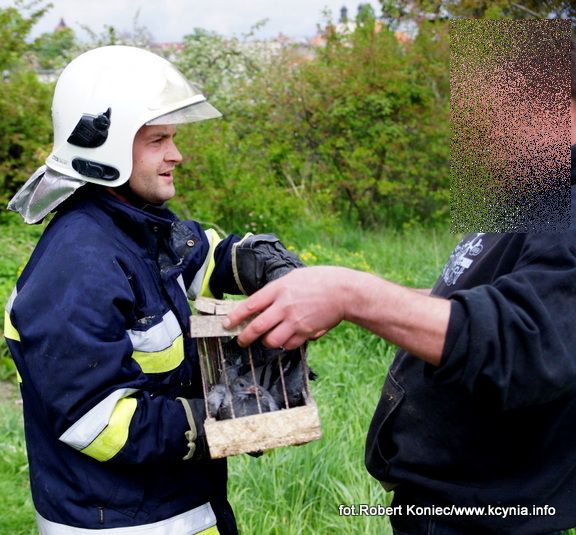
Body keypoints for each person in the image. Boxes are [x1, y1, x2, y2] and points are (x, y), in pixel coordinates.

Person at [224, 41, 576, 535]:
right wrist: (343, 295)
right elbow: (468, 309)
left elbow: (525, 345)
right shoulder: (536, 200)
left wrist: (352, 293)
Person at [3, 45, 302, 535]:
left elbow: (195, 261)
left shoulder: (134, 225)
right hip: (124, 521)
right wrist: (218, 417)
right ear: (106, 147)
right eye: (158, 140)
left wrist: (264, 265)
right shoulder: (77, 265)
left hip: (178, 503)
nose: (176, 155)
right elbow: (97, 423)